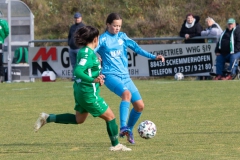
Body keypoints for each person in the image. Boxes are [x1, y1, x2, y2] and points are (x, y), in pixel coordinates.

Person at [34, 26, 131, 151]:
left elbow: (87, 70)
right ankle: (116, 145)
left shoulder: (86, 52)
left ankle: (48, 118)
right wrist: (92, 80)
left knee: (79, 119)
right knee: (110, 117)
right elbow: (78, 71)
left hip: (81, 90)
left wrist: (97, 77)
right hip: (88, 93)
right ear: (95, 39)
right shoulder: (87, 53)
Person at [95, 13, 165, 144]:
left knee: (139, 106)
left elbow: (136, 48)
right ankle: (123, 127)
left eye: (119, 26)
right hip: (110, 75)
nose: (117, 28)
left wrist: (153, 57)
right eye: (115, 25)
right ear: (108, 24)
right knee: (126, 94)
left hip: (125, 76)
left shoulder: (122, 37)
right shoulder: (103, 39)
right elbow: (91, 50)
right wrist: (95, 57)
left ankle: (129, 131)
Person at [68, 12, 85, 81]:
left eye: (78, 18)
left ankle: (80, 77)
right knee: (73, 64)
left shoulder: (83, 27)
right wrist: (69, 42)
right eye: (75, 18)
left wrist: (81, 45)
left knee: (79, 63)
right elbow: (69, 36)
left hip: (79, 48)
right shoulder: (72, 27)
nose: (77, 19)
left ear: (81, 18)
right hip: (72, 48)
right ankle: (74, 76)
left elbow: (85, 37)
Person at [0, 12, 9, 83]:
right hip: (0, 43)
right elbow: (7, 32)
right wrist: (2, 39)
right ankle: (1, 78)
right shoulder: (3, 22)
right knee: (0, 61)